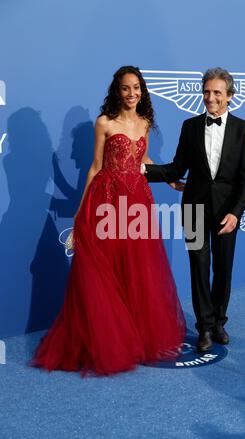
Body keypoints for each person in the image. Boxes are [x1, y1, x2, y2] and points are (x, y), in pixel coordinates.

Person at [31, 66, 186, 375]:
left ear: (143, 92)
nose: (132, 94)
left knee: (137, 267)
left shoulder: (145, 123)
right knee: (106, 267)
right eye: (126, 88)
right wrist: (81, 206)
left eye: (137, 88)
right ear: (117, 91)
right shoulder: (104, 123)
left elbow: (144, 161)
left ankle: (136, 336)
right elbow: (95, 166)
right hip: (107, 200)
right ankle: (108, 341)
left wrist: (169, 179)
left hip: (138, 201)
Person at [144, 67, 245, 352]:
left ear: (229, 96)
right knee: (198, 266)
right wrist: (141, 170)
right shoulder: (190, 126)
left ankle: (219, 321)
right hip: (193, 208)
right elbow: (177, 168)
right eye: (206, 91)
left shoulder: (244, 129)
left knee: (223, 268)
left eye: (217, 92)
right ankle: (204, 327)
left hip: (228, 211)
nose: (210, 97)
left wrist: (236, 213)